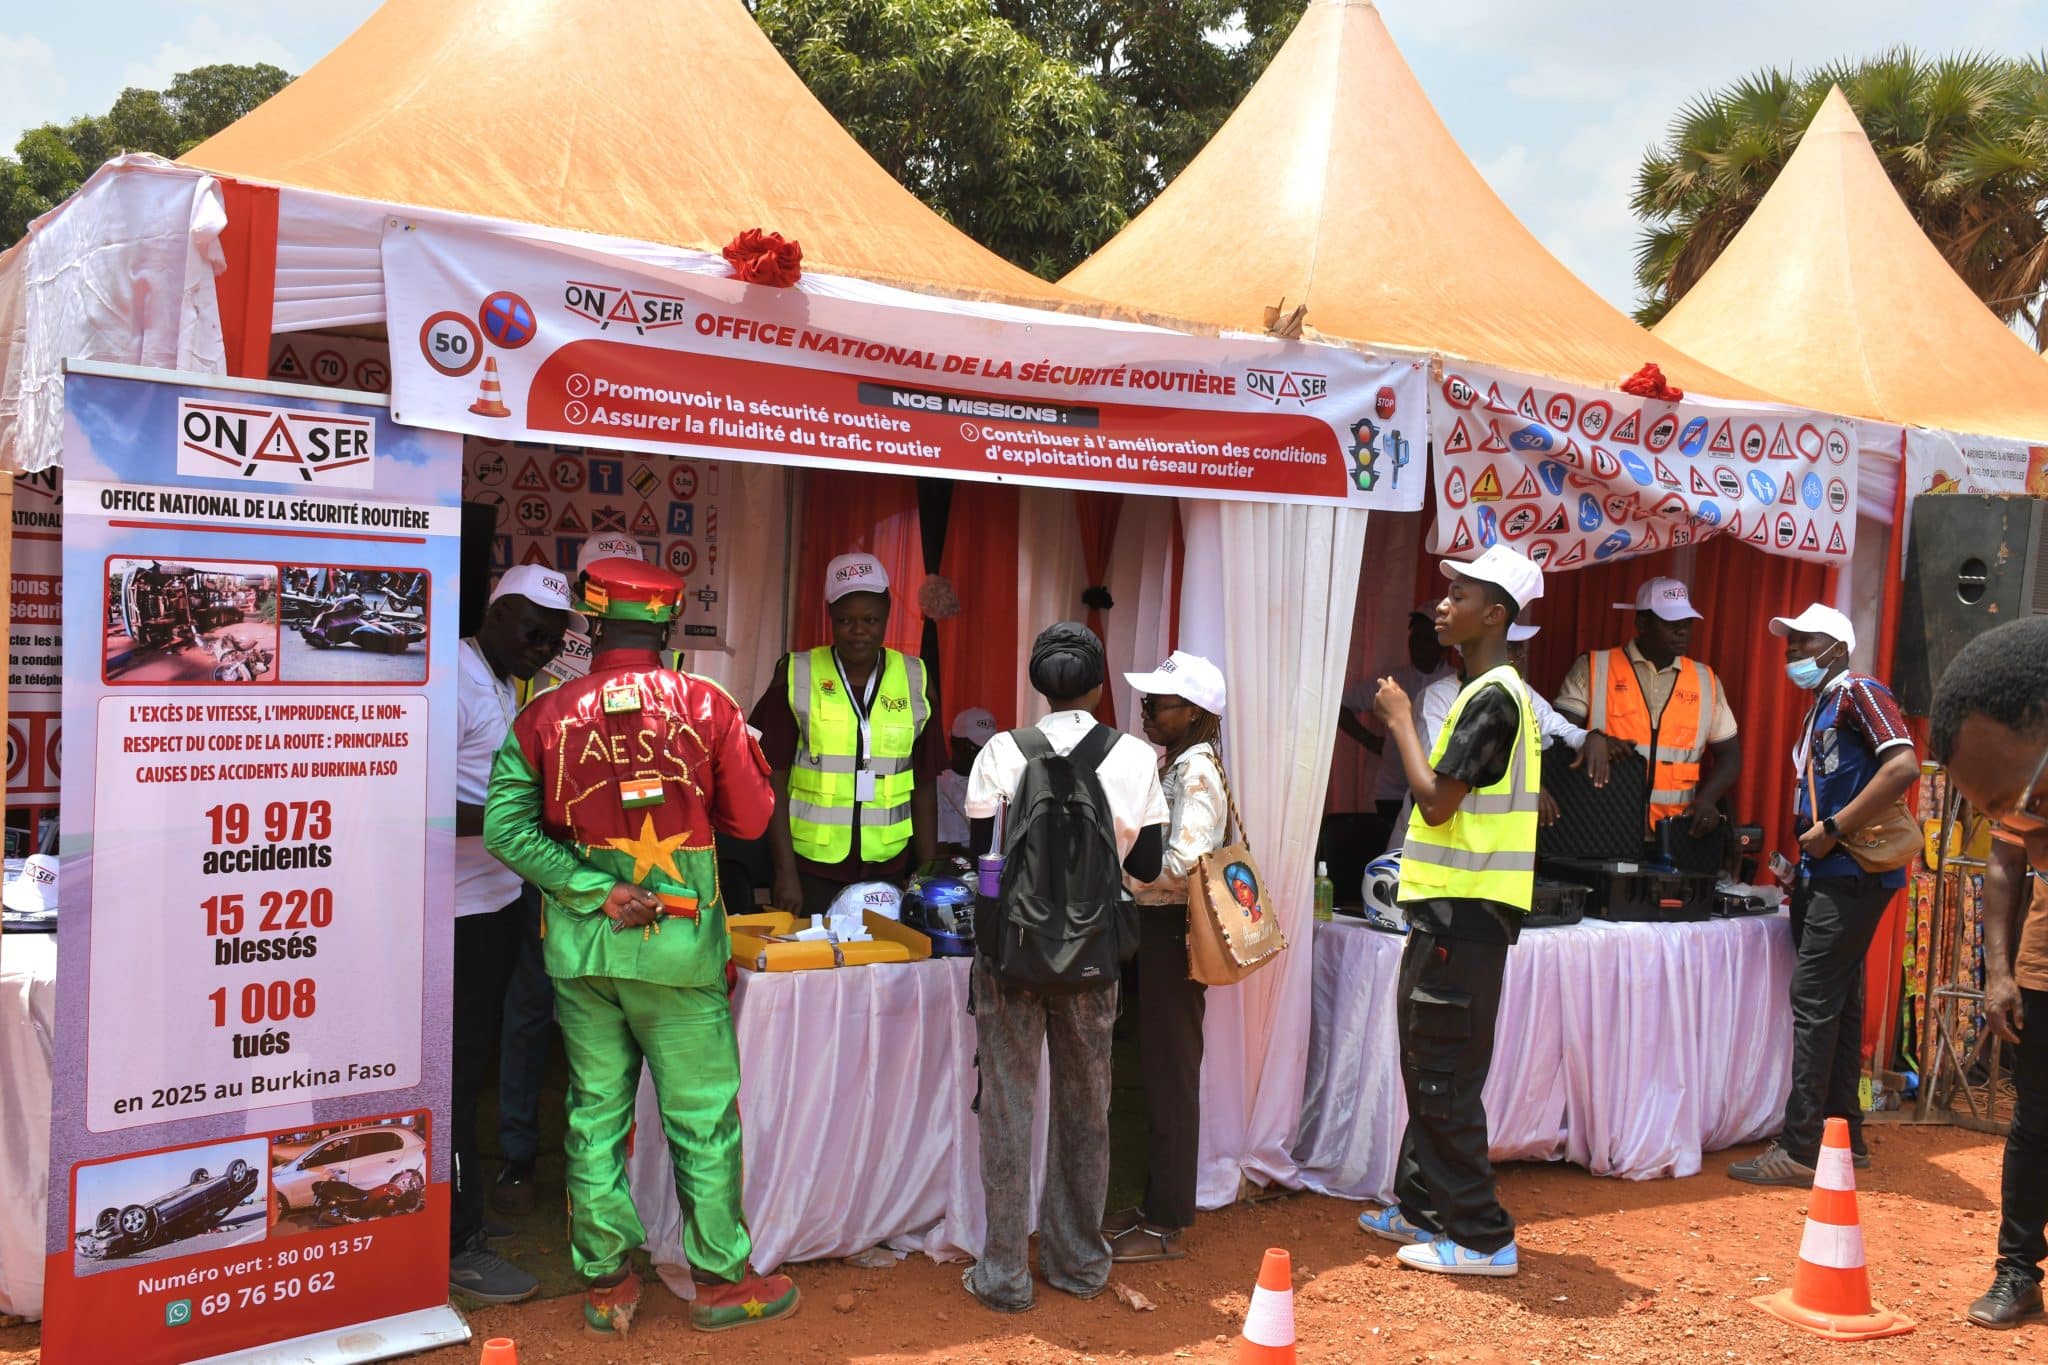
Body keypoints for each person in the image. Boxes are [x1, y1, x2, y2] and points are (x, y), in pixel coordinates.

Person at [484, 554, 798, 1337]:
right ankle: (721, 1281)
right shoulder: (708, 704)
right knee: (701, 1116)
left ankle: (606, 1284)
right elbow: (752, 819)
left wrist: (594, 887)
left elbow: (504, 829)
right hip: (678, 951)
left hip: (584, 953)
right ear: (667, 624)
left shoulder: (544, 714)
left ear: (592, 623)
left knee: (594, 1113)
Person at [962, 623, 1167, 1312]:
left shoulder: (1001, 750)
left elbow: (982, 855)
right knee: (1086, 1107)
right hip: (1093, 958)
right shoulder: (1132, 756)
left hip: (1010, 956)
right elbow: (1147, 866)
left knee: (1007, 1105)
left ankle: (1003, 1272)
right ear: (1100, 684)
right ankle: (1077, 1260)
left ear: (1038, 685)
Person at [1356, 543, 1543, 1277]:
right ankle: (1424, 1206)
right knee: (1429, 1062)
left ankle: (1481, 1235)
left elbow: (1435, 802)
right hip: (1451, 916)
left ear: (1494, 614)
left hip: (1464, 917)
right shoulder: (1486, 692)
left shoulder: (1493, 697)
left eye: (1459, 594)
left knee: (1441, 1071)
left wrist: (1402, 720)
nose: (1443, 604)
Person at [494, 533, 656, 1218]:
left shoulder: (655, 657)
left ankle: (628, 1165)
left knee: (630, 1020)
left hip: (638, 866)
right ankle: (519, 1154)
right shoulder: (539, 660)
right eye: (597, 584)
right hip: (554, 869)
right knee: (534, 1011)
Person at [1728, 605, 1916, 1187]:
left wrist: (1833, 828)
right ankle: (1844, 1136)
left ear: (1836, 647)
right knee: (1841, 1000)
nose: (1791, 653)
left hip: (1852, 868)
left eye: (1804, 643)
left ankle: (1801, 1146)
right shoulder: (1823, 706)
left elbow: (1903, 766)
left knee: (1813, 1000)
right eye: (1789, 644)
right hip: (1827, 870)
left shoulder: (1859, 691)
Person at [449, 564, 571, 1303]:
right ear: (494, 615)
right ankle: (456, 1243)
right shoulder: (452, 678)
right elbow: (420, 800)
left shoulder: (501, 682)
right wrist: (521, 822)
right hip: (452, 912)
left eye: (552, 639)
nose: (541, 647)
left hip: (495, 904)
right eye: (531, 631)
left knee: (472, 1072)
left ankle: (461, 1215)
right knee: (456, 1076)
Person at [1930, 616, 2048, 1330]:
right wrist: (1999, 972)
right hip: (2044, 964)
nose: (2023, 820)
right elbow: (2005, 862)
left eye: (2024, 803)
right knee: (2035, 1124)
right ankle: (2017, 1271)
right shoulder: (2021, 788)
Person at [1108, 651, 1229, 1263]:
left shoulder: (1197, 771)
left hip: (1172, 932)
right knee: (1153, 1067)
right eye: (1148, 701)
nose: (1147, 711)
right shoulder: (1177, 764)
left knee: (1170, 1074)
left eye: (1159, 703)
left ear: (1196, 713)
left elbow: (1186, 863)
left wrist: (1120, 874)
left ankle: (1165, 1222)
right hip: (1154, 930)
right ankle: (1153, 1203)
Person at [752, 552, 940, 916]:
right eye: (845, 620)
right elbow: (771, 779)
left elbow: (925, 783)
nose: (858, 631)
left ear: (887, 614)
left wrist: (927, 871)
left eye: (870, 619)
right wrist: (784, 872)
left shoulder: (916, 678)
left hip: (890, 865)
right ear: (830, 616)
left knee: (885, 954)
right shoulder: (796, 675)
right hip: (811, 870)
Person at [1554, 577, 1739, 838]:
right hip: (1603, 827)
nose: (1682, 631)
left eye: (1687, 623)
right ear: (1642, 623)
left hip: (1676, 830)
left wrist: (1707, 799)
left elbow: (1730, 754)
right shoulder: (1594, 667)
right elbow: (1556, 736)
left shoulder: (1705, 680)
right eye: (1672, 623)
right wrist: (1593, 740)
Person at [1413, 623, 1593, 830]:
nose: (1521, 655)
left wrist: (1588, 738)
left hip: (1488, 833)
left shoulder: (1521, 690)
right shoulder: (1439, 697)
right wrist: (1523, 785)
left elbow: (1556, 725)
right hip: (1440, 834)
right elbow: (1437, 768)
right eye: (1511, 648)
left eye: (1520, 647)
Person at [1340, 606, 1454, 825]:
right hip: (1392, 792)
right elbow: (1343, 707)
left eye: (1427, 639)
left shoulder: (1454, 683)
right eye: (1415, 638)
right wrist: (1369, 740)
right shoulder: (1391, 681)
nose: (1419, 645)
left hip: (1436, 791)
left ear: (1443, 645)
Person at [937, 708, 998, 857]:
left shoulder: (997, 779)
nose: (985, 755)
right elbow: (945, 848)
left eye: (990, 748)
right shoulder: (939, 784)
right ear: (955, 744)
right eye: (977, 748)